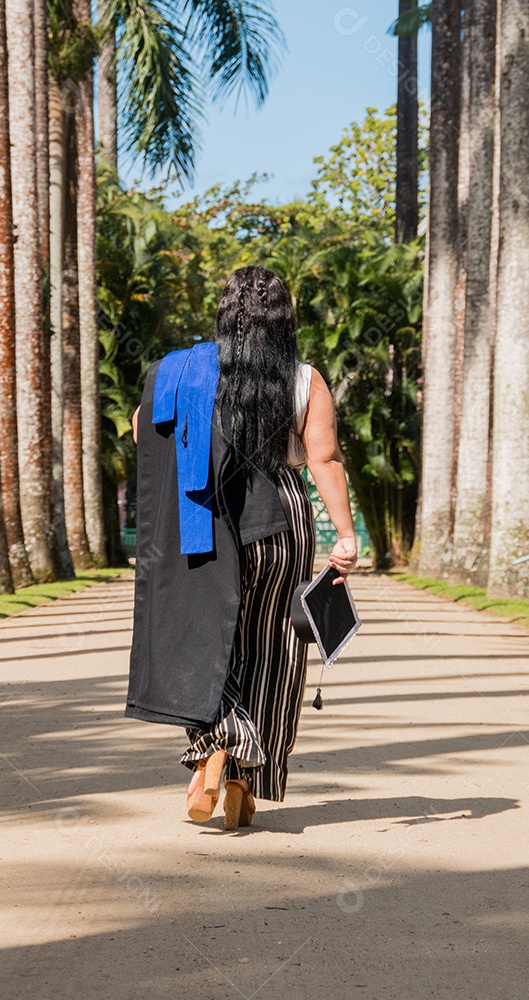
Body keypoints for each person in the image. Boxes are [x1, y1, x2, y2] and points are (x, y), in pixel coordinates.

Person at [125, 266, 357, 829]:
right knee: (273, 649)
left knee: (204, 638)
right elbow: (324, 459)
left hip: (203, 516)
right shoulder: (303, 379)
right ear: (285, 319)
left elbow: (140, 430)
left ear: (225, 313)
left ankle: (218, 745)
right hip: (282, 520)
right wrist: (345, 536)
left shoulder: (183, 371)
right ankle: (243, 778)